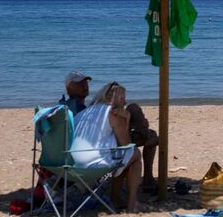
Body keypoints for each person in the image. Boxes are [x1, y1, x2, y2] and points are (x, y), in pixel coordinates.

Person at [58, 70, 158, 192]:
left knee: (140, 122)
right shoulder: (72, 109)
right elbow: (123, 144)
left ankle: (146, 135)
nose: (85, 86)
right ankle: (146, 179)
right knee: (137, 119)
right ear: (69, 87)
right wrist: (126, 119)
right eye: (79, 83)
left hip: (84, 154)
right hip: (97, 152)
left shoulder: (86, 109)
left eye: (86, 83)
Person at [71, 82, 142, 211]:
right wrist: (127, 118)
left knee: (121, 157)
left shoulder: (83, 113)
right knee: (135, 153)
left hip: (72, 166)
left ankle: (115, 198)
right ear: (111, 98)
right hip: (94, 166)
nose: (125, 102)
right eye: (122, 98)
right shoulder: (112, 113)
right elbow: (126, 145)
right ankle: (132, 203)